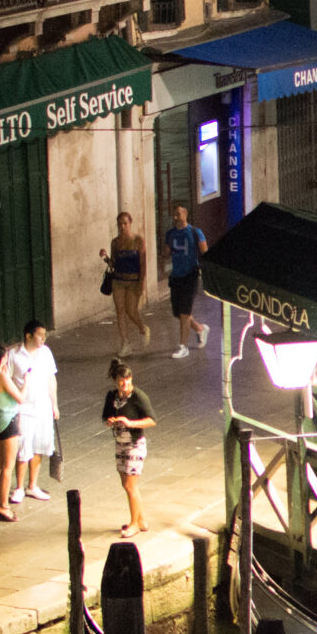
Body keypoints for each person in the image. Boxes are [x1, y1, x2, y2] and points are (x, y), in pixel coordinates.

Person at [102, 359, 156, 539]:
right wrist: (110, 421)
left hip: (135, 445)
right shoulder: (112, 397)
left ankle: (134, 525)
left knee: (130, 485)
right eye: (122, 381)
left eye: (128, 380)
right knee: (126, 484)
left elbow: (151, 420)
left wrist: (130, 422)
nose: (125, 384)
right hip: (120, 443)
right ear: (116, 381)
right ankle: (140, 519)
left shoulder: (139, 396)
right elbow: (106, 416)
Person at [8, 321, 60, 501]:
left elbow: (51, 379)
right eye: (40, 335)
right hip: (24, 408)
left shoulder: (45, 352)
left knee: (39, 445)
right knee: (23, 446)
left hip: (43, 406)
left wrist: (54, 404)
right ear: (28, 335)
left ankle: (33, 485)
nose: (43, 339)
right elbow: (7, 380)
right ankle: (19, 487)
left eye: (44, 335)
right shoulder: (13, 355)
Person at [0, 342, 25, 521]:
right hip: (8, 422)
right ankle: (4, 506)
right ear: (2, 359)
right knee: (8, 466)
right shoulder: (1, 377)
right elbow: (20, 398)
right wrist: (27, 380)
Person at [164, 204, 209, 358]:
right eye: (174, 214)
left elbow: (205, 251)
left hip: (191, 276)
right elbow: (166, 252)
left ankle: (183, 346)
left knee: (184, 312)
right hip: (176, 276)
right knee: (178, 312)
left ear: (186, 214)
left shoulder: (195, 232)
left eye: (179, 214)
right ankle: (200, 328)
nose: (176, 217)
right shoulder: (170, 234)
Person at [103, 211, 152, 351]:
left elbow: (142, 263)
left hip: (133, 281)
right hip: (118, 280)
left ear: (130, 223)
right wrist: (105, 257)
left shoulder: (138, 240)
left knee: (131, 311)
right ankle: (125, 343)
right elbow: (113, 263)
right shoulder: (115, 242)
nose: (122, 227)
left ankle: (142, 328)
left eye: (125, 223)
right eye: (120, 224)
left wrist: (141, 284)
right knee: (120, 311)